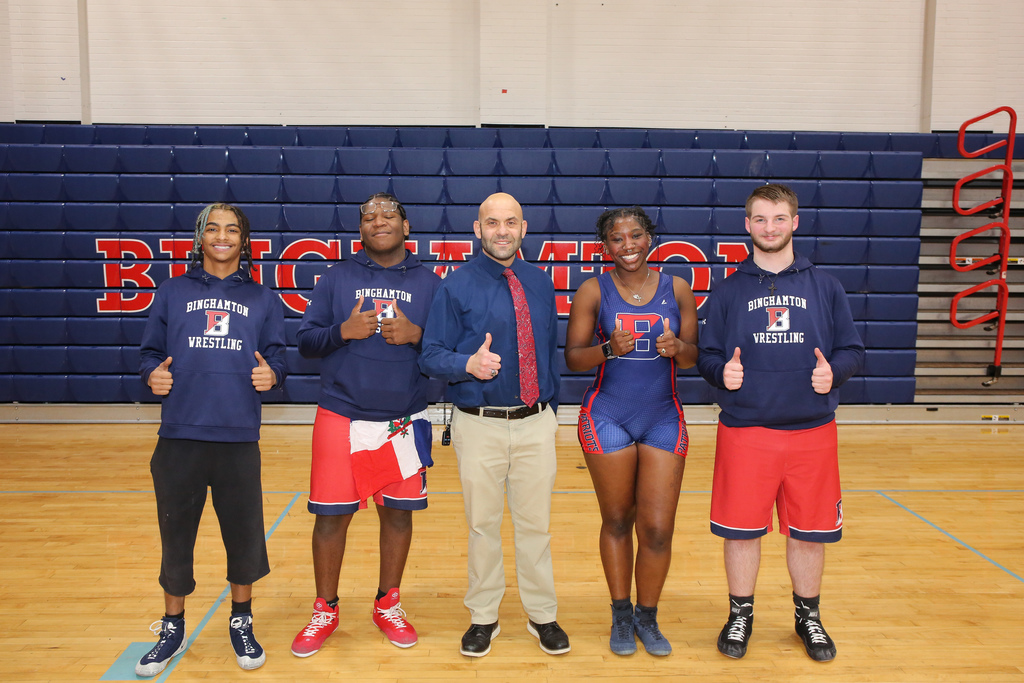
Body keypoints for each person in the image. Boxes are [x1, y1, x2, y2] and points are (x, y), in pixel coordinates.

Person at [696, 183, 864, 662]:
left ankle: (808, 616)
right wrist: (720, 373)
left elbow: (852, 349)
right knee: (740, 531)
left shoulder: (826, 286)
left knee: (810, 533)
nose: (770, 228)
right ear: (747, 225)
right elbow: (706, 356)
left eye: (779, 218)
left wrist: (835, 372)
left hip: (811, 432)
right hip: (746, 431)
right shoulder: (728, 290)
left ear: (795, 222)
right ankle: (740, 614)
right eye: (761, 219)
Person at [135, 203, 287, 676]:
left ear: (245, 240)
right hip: (180, 434)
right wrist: (151, 376)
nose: (223, 236)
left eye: (232, 230)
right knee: (175, 536)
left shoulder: (263, 298)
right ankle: (173, 626)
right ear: (200, 238)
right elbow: (149, 354)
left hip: (237, 436)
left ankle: (241, 620)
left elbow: (279, 358)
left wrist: (273, 375)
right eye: (213, 229)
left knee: (243, 536)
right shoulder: (172, 291)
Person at [419, 192, 569, 658]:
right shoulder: (455, 285)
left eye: (510, 222)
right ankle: (483, 616)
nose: (501, 231)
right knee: (482, 527)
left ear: (523, 228)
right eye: (492, 222)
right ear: (477, 229)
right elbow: (430, 355)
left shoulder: (540, 283)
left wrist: (549, 413)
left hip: (535, 423)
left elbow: (549, 352)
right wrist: (468, 364)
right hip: (480, 424)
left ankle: (542, 614)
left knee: (536, 527)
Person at [290, 193, 440, 657]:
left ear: (406, 226)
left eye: (388, 214)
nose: (379, 221)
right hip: (341, 414)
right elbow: (306, 342)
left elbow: (448, 351)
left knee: (397, 514)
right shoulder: (336, 278)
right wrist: (343, 332)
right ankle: (325, 609)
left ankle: (387, 604)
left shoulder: (430, 283)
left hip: (403, 418)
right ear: (360, 230)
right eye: (369, 217)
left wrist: (417, 336)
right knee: (331, 517)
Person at [563, 206, 699, 656]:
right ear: (605, 246)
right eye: (617, 239)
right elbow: (573, 358)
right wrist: (607, 349)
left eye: (636, 235)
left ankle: (648, 616)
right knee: (618, 520)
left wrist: (678, 347)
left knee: (657, 529)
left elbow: (693, 358)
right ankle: (621, 614)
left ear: (650, 238)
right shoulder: (593, 290)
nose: (628, 246)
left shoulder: (678, 288)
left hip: (662, 416)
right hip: (607, 416)